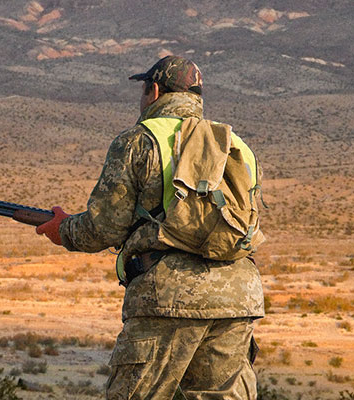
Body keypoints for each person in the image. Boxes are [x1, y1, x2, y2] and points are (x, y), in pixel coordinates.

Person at [35, 56, 264, 399]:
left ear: (153, 91)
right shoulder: (236, 145)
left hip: (167, 298)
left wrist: (63, 229)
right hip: (237, 298)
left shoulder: (139, 140)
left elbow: (103, 229)